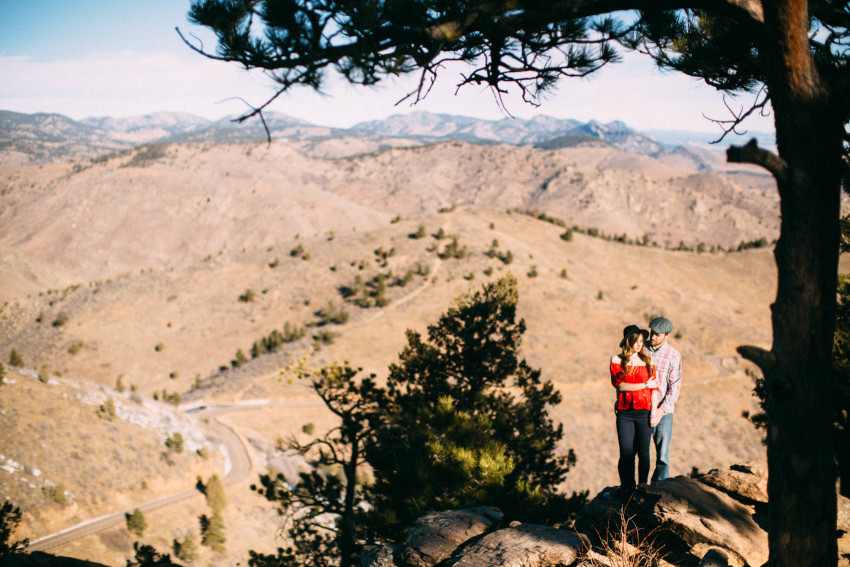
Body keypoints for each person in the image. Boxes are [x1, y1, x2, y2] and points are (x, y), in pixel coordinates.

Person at [610, 325, 659, 497]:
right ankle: (627, 487)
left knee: (644, 451)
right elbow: (621, 385)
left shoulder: (647, 360)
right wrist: (644, 385)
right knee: (626, 452)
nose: (639, 344)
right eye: (635, 341)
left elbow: (655, 389)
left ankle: (643, 486)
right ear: (627, 341)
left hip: (644, 412)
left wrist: (654, 413)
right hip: (625, 413)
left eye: (640, 341)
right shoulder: (617, 360)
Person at [644, 316, 682, 481]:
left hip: (663, 413)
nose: (652, 337)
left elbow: (674, 387)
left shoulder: (673, 355)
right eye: (652, 333)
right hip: (643, 408)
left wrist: (660, 410)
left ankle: (660, 488)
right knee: (641, 452)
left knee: (662, 455)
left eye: (657, 335)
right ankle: (639, 487)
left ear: (666, 335)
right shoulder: (642, 348)